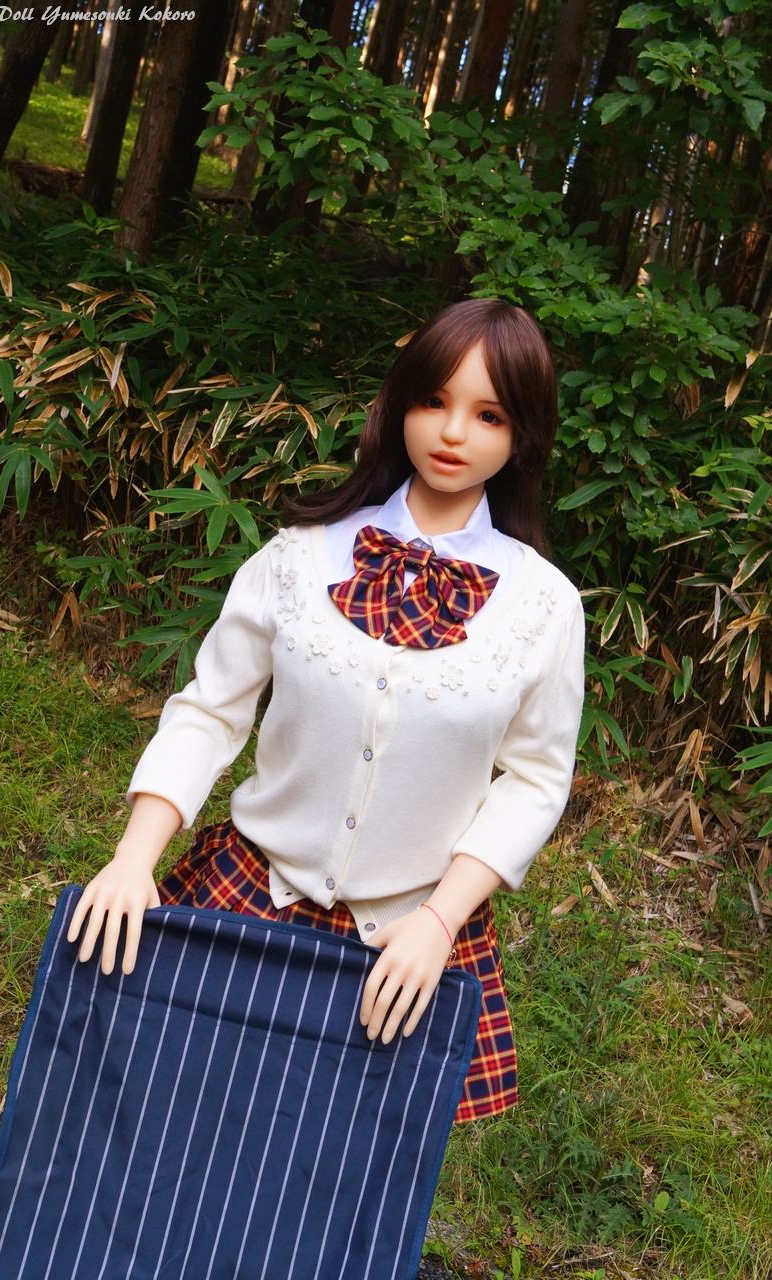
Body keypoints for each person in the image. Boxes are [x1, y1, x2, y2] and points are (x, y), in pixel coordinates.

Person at [67, 297, 585, 1124]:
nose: (453, 432)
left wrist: (440, 921)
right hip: (248, 896)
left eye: (488, 414)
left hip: (405, 944)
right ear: (401, 405)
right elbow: (210, 710)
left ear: (521, 435)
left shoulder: (544, 606)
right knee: (164, 1124)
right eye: (434, 401)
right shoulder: (298, 557)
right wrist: (134, 858)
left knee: (338, 1172)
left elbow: (534, 779)